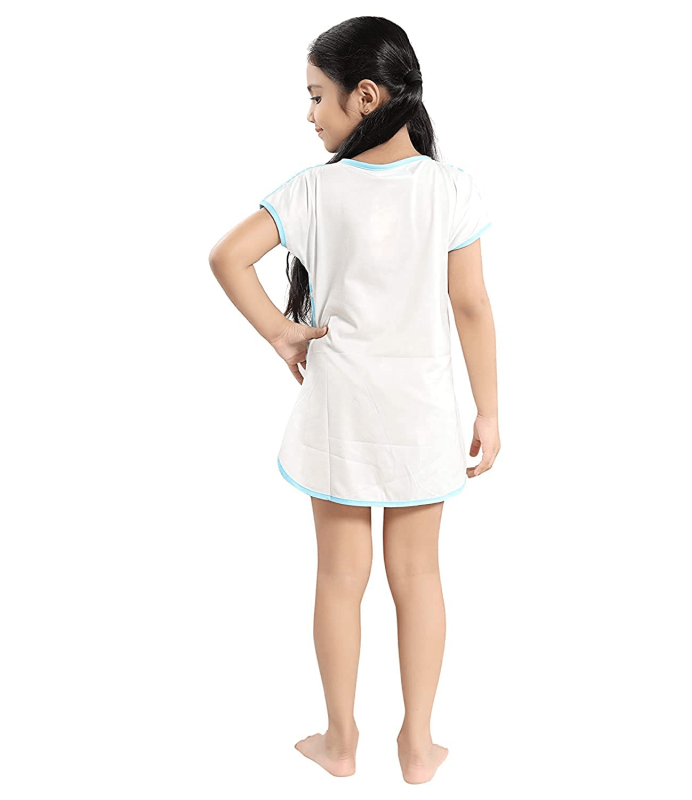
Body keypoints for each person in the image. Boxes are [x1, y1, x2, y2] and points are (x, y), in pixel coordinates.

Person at [209, 16, 500, 785]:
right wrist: (489, 410)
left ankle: (340, 743)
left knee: (340, 578)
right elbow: (472, 305)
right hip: (422, 417)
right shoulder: (450, 188)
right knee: (420, 577)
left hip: (339, 414)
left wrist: (282, 333)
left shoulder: (313, 190)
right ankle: (418, 747)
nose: (309, 114)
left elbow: (227, 256)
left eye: (317, 96)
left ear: (364, 96)